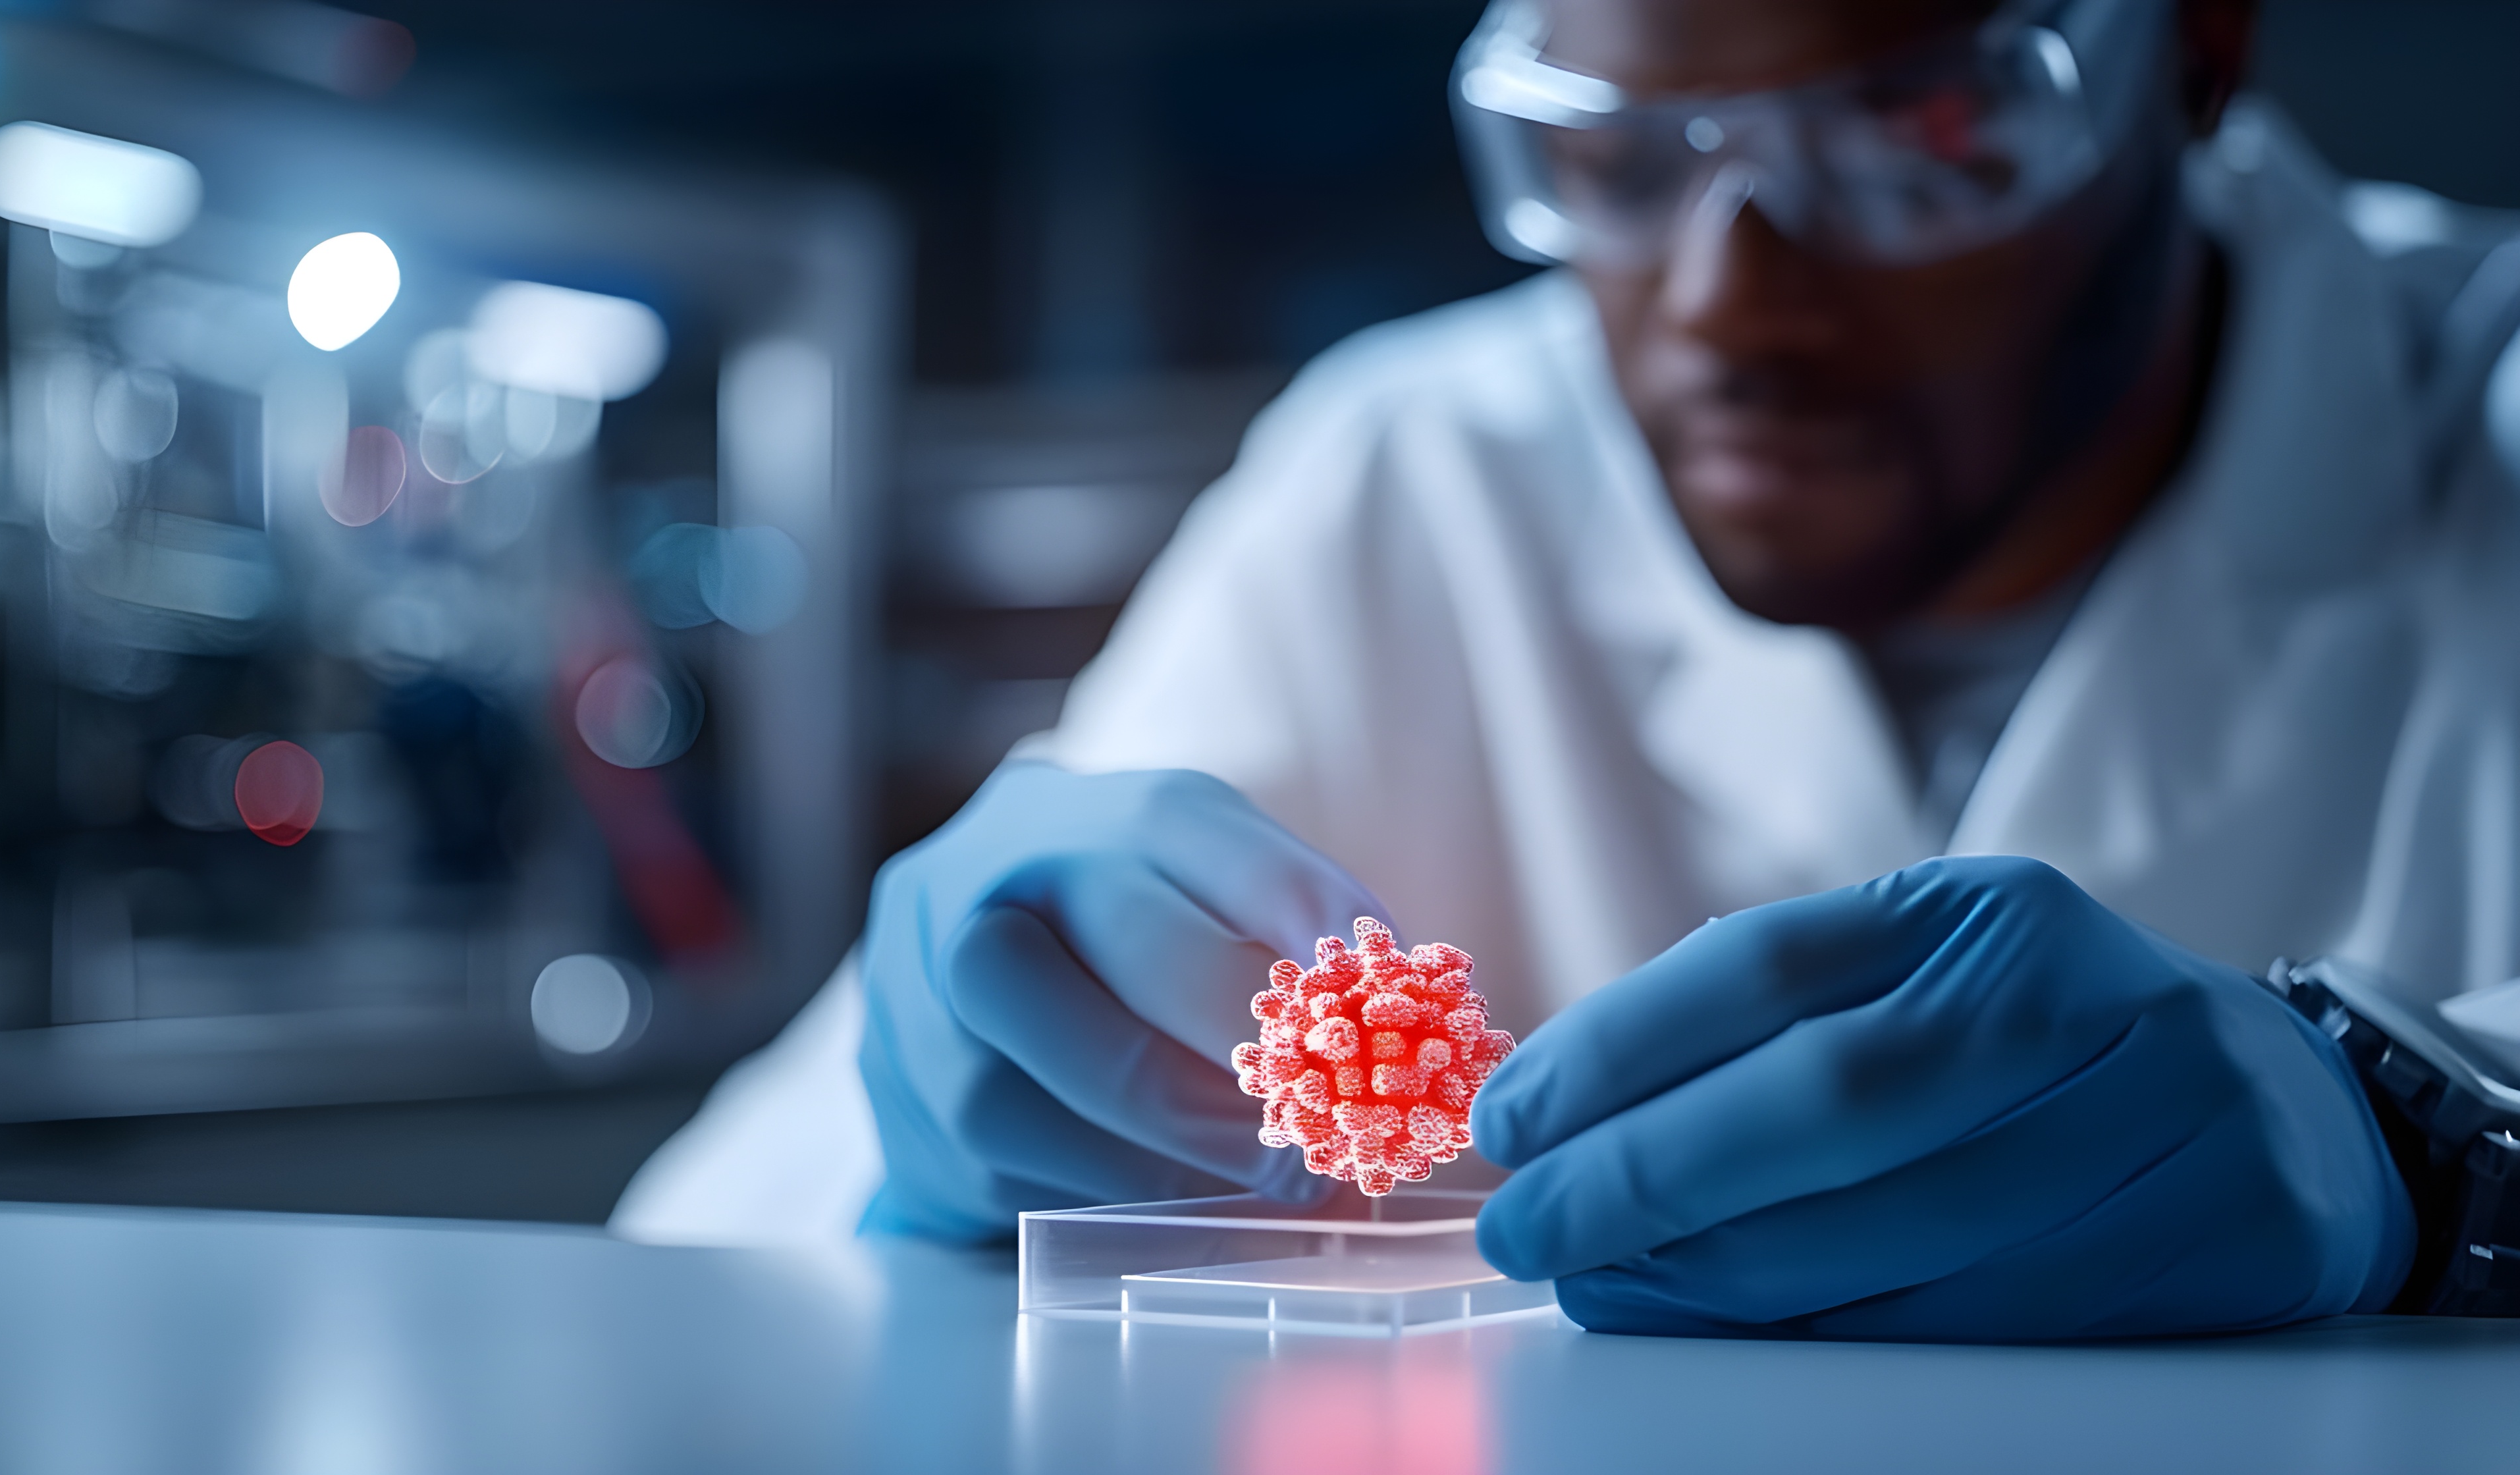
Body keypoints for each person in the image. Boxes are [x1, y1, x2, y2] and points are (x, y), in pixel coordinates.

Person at [617, 0, 2520, 1339]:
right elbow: (702, 1260)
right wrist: (944, 1128)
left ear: (2192, 48)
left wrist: (2419, 1147)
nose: (1727, 299)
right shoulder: (1414, 473)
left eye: (1908, 144)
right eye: (1613, 157)